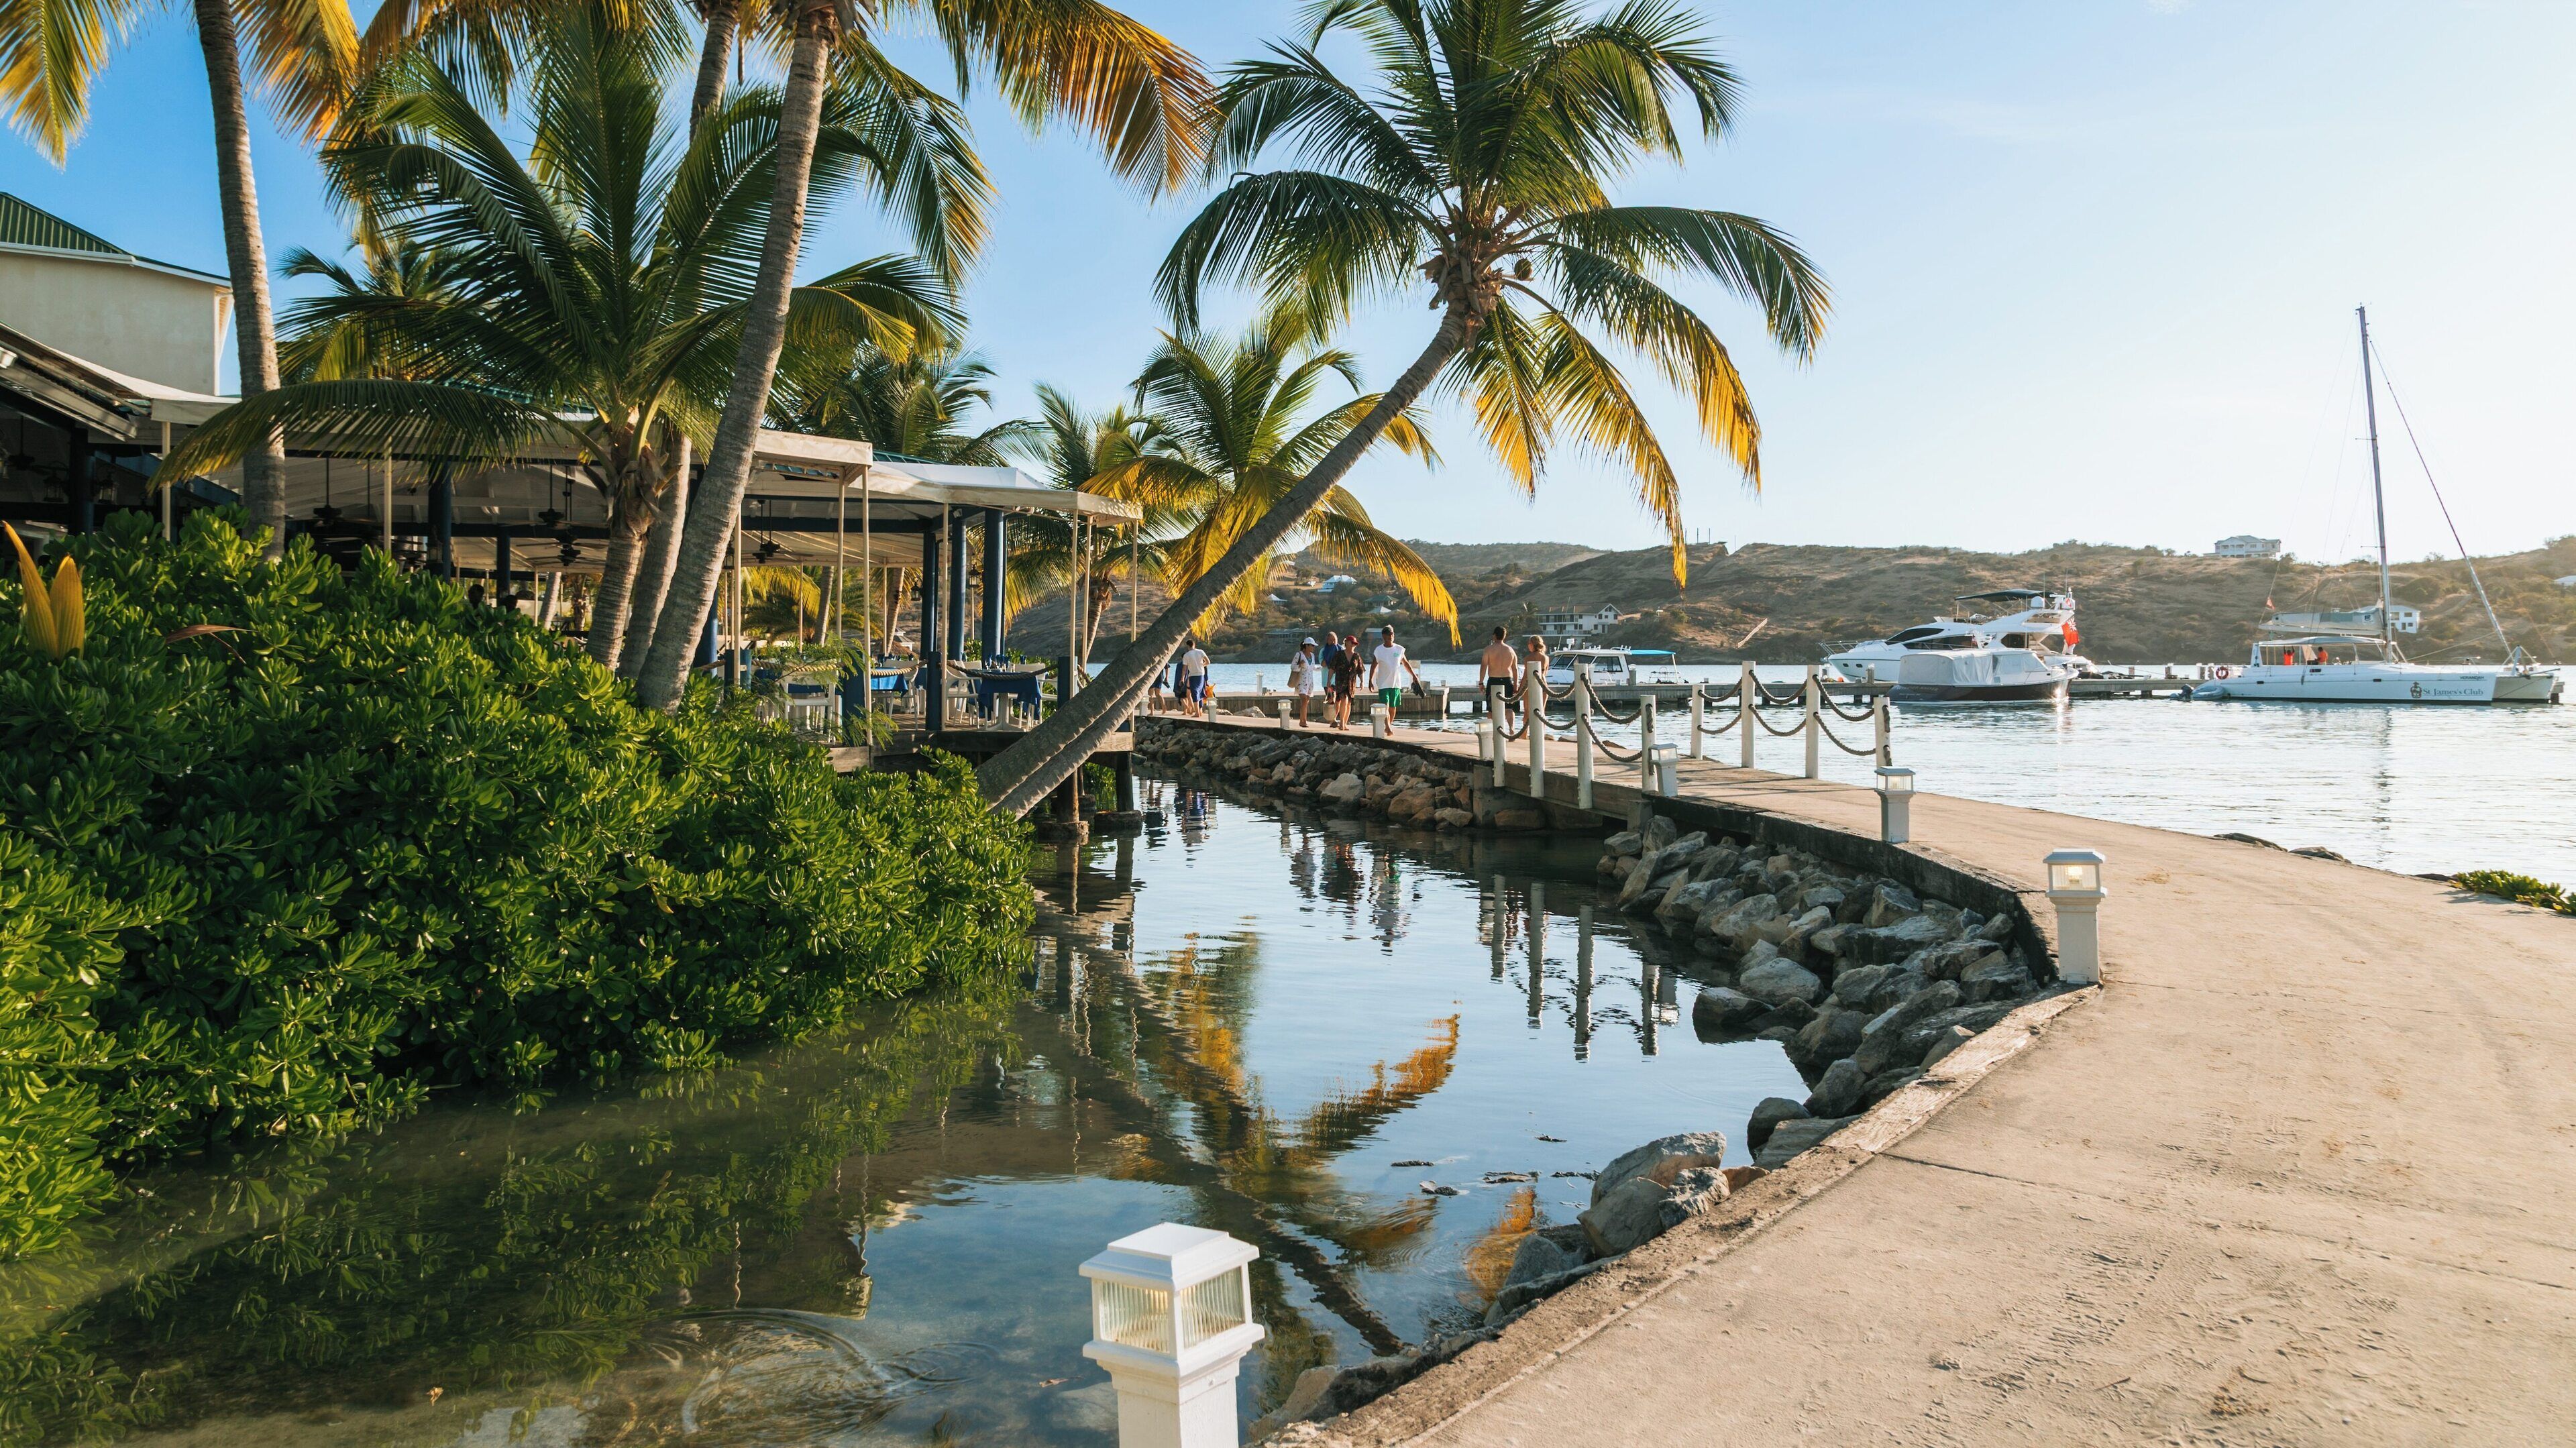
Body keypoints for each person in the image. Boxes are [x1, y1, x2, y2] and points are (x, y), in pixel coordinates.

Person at [1370, 624, 1423, 726]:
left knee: (1393, 708)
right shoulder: (1379, 650)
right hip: (1383, 684)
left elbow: (1406, 663)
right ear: (1384, 636)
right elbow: (1373, 666)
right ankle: (1388, 727)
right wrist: (1370, 681)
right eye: (1389, 634)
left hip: (1396, 684)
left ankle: (1388, 725)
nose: (1391, 636)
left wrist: (1414, 676)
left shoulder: (1399, 649)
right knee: (1385, 705)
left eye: (1392, 633)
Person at [1479, 624, 1521, 728]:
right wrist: (1516, 684)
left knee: (1491, 709)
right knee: (1508, 708)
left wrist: (1481, 682)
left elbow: (1484, 666)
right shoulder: (1510, 650)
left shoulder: (1489, 649)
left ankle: (1494, 731)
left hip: (1494, 680)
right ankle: (1511, 729)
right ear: (1504, 636)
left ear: (1494, 636)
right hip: (1507, 680)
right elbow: (1515, 669)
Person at [1327, 631, 1363, 729]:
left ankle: (1345, 723)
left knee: (1349, 703)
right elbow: (1332, 668)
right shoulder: (1339, 654)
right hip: (1340, 682)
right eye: (1352, 643)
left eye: (1355, 644)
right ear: (1346, 642)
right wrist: (1329, 680)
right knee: (1344, 699)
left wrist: (1362, 681)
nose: (1353, 645)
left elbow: (1360, 670)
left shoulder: (1356, 656)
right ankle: (1342, 723)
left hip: (1351, 683)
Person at [1290, 637, 1324, 726]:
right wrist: (1299, 665)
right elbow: (1293, 667)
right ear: (1307, 645)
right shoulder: (1299, 654)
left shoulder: (1312, 656)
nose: (1313, 647)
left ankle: (1302, 721)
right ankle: (1303, 721)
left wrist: (1324, 668)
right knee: (1304, 701)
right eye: (1312, 645)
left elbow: (1313, 668)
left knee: (1306, 702)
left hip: (1310, 683)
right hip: (1301, 682)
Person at [1177, 635, 1210, 718]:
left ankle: (1197, 713)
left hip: (1193, 675)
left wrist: (1182, 679)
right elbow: (1208, 662)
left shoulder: (1186, 655)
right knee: (1200, 692)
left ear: (1188, 646)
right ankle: (1200, 712)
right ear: (1194, 645)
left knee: (1195, 693)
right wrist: (1202, 665)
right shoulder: (1201, 652)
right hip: (1201, 675)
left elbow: (1184, 669)